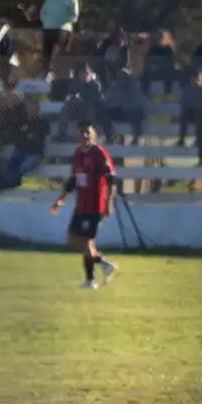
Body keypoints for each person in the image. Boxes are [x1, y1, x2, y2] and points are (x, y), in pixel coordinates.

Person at [51, 121, 118, 289]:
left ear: (94, 134)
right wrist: (61, 198)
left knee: (86, 242)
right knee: (73, 240)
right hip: (81, 205)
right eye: (82, 132)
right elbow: (74, 179)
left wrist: (109, 203)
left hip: (95, 205)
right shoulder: (78, 154)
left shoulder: (99, 153)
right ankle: (102, 267)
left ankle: (91, 279)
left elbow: (111, 180)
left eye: (88, 132)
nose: (85, 135)